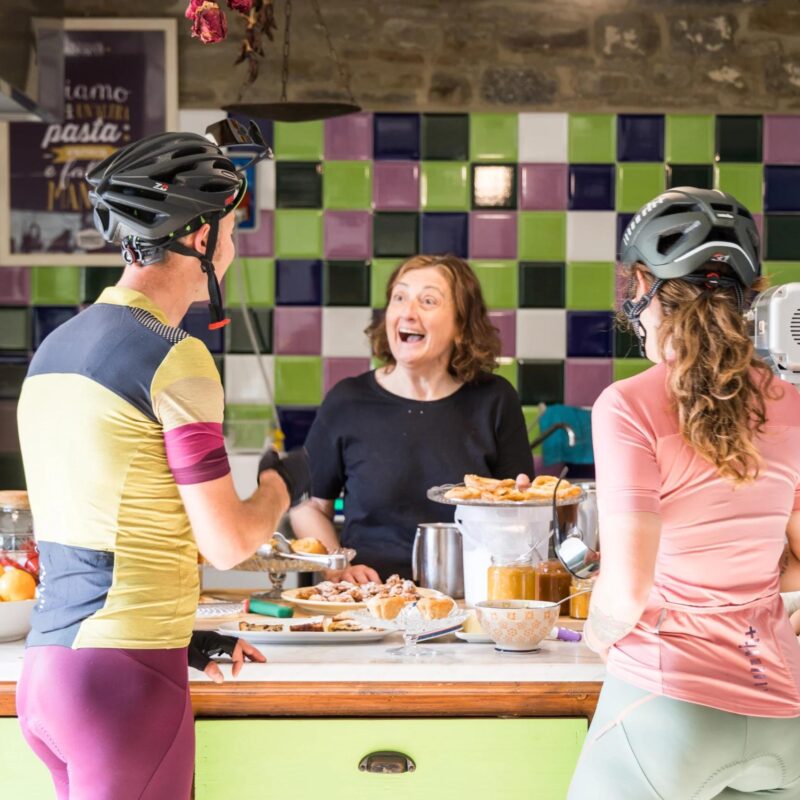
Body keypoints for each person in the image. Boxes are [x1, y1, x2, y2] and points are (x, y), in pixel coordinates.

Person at [15, 124, 310, 800]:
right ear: (201, 238)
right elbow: (230, 542)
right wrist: (281, 486)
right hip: (123, 689)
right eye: (232, 228)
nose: (234, 246)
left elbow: (100, 542)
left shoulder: (56, 348)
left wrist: (191, 643)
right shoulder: (171, 354)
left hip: (50, 677)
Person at [566, 187, 800, 799]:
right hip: (784, 721)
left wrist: (593, 640)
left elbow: (627, 588)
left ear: (642, 285)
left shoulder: (628, 407)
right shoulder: (794, 406)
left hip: (668, 711)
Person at [290, 254, 534, 582]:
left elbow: (517, 513)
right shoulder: (348, 401)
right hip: (371, 601)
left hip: (471, 598)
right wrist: (339, 567)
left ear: (461, 326)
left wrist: (524, 506)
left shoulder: (495, 400)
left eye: (428, 301)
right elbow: (308, 507)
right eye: (399, 297)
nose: (408, 312)